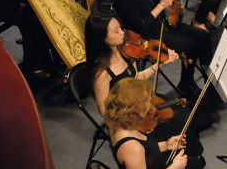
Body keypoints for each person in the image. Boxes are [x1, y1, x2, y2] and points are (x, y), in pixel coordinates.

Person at [83, 12, 210, 141]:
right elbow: (104, 110)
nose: (123, 32)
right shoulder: (101, 73)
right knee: (179, 124)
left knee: (187, 108)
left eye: (121, 28)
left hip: (143, 103)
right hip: (128, 117)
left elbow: (137, 78)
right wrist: (130, 116)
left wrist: (160, 63)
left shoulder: (127, 52)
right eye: (116, 31)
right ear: (103, 38)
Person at [109, 0, 215, 101]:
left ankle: (210, 81)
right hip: (146, 37)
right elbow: (139, 25)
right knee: (191, 46)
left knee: (203, 35)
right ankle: (186, 83)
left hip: (161, 26)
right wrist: (161, 5)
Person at [102, 77, 199, 169]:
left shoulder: (125, 125)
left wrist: (166, 145)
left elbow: (144, 150)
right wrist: (174, 167)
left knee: (195, 164)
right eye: (147, 102)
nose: (151, 104)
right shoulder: (131, 147)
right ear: (135, 109)